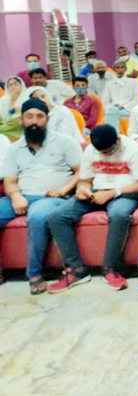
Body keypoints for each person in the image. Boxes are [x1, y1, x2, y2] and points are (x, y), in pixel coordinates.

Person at [46, 125, 138, 293]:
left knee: (118, 214)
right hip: (95, 192)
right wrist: (82, 189)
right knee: (57, 216)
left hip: (126, 192)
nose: (104, 155)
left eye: (108, 152)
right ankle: (77, 270)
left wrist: (112, 193)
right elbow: (84, 180)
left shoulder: (134, 149)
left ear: (117, 140)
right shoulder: (91, 150)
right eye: (101, 152)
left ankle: (110, 269)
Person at [0, 98, 82, 294]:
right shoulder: (14, 149)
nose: (34, 121)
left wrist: (64, 189)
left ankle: (35, 274)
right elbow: (10, 180)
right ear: (22, 120)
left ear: (48, 119)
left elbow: (82, 172)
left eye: (39, 116)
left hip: (52, 198)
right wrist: (16, 196)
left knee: (37, 216)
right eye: (29, 116)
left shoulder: (64, 142)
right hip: (22, 196)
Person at [103, 59, 138, 132]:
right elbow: (105, 100)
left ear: (125, 69)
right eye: (118, 67)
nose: (120, 69)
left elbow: (136, 99)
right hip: (113, 108)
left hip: (129, 109)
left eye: (122, 67)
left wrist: (123, 107)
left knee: (111, 114)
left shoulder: (133, 82)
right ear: (114, 69)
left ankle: (113, 135)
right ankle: (115, 135)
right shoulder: (109, 84)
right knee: (111, 112)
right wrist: (112, 107)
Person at [0, 76, 29, 141]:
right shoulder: (2, 102)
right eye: (10, 85)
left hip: (21, 137)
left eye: (16, 84)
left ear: (22, 85)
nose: (13, 86)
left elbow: (16, 123)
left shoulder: (27, 100)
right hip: (3, 137)